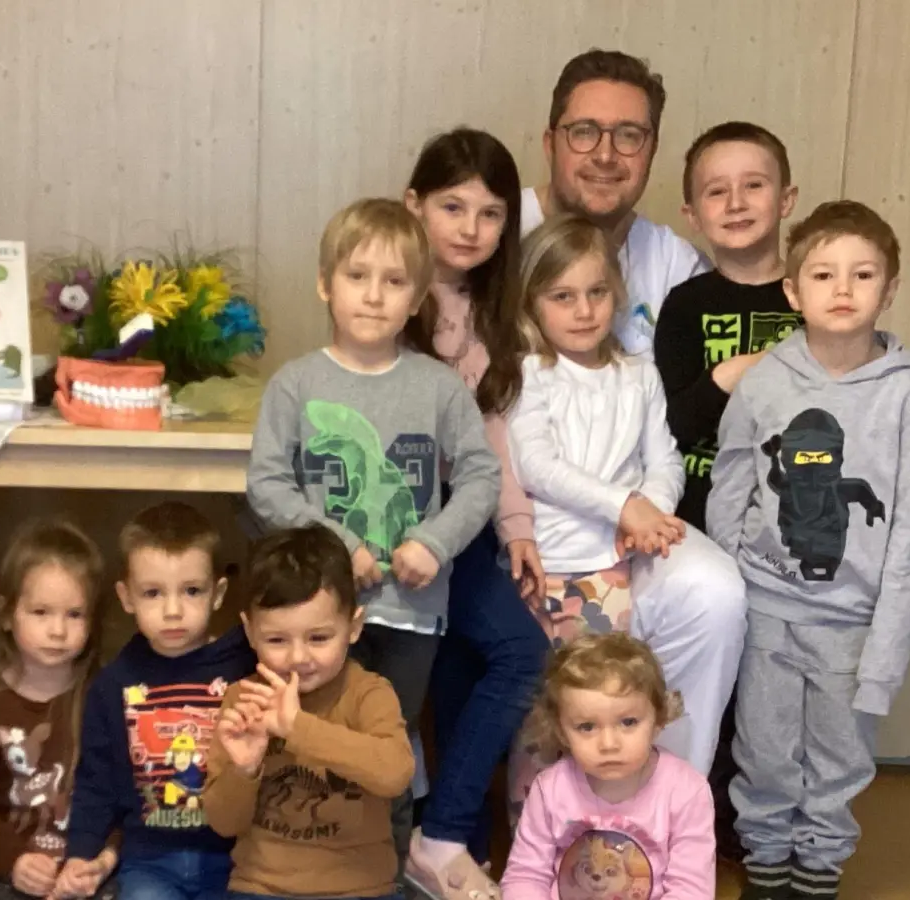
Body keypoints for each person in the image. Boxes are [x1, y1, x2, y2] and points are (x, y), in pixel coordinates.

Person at [246, 197, 501, 868]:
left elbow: (480, 477)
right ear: (326, 283)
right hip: (316, 614)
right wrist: (339, 547)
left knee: (387, 744)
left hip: (409, 612)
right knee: (309, 735)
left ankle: (380, 870)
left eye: (393, 283)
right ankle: (302, 863)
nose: (373, 296)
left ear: (418, 297)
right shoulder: (295, 385)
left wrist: (436, 541)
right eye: (358, 276)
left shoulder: (440, 387)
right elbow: (267, 484)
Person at [707, 201, 910, 900]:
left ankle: (817, 868)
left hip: (851, 620)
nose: (843, 289)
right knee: (762, 746)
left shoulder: (904, 395)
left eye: (863, 274)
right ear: (794, 291)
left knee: (837, 755)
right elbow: (733, 481)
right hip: (765, 604)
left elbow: (906, 530)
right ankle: (765, 860)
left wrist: (887, 644)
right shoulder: (767, 379)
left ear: (889, 288)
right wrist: (729, 591)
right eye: (823, 274)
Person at [506, 215, 744, 779]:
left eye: (597, 292)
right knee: (546, 721)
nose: (584, 309)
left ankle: (611, 840)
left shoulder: (637, 373)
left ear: (618, 294)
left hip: (612, 569)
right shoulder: (529, 372)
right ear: (532, 303)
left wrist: (651, 515)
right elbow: (537, 467)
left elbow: (664, 458)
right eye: (563, 296)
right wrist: (623, 505)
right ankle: (537, 844)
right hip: (552, 572)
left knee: (607, 712)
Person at [399, 129, 552, 897]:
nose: (469, 228)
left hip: (465, 531)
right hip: (398, 531)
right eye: (452, 206)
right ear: (413, 204)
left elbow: (493, 433)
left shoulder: (489, 314)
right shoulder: (388, 289)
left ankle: (454, 840)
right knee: (518, 651)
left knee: (483, 660)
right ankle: (443, 834)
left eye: (490, 214)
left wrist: (515, 528)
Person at [653, 121, 801, 863]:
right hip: (703, 517)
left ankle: (769, 820)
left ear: (787, 199)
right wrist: (733, 374)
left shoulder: (817, 294)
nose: (736, 201)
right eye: (717, 190)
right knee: (714, 664)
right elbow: (670, 422)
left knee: (778, 675)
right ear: (692, 214)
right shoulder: (685, 306)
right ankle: (699, 810)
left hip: (797, 522)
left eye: (755, 185)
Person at [54, 502, 255, 900]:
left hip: (236, 857)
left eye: (192, 591)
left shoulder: (246, 667)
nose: (173, 610)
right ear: (126, 597)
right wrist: (80, 854)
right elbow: (96, 781)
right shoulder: (114, 684)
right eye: (153, 593)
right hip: (150, 859)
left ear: (218, 594)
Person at [203, 525, 414, 900]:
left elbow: (396, 774)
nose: (298, 658)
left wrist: (299, 728)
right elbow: (223, 824)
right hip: (261, 889)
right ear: (249, 633)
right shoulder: (243, 699)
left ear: (354, 626)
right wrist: (245, 770)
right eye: (276, 640)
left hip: (362, 891)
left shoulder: (369, 694)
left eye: (318, 638)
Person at [520, 49, 708, 359]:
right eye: (583, 132)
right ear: (549, 144)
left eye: (629, 136)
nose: (605, 156)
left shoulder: (681, 271)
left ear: (652, 151)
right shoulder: (493, 235)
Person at [499, 633, 715, 899]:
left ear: (658, 720)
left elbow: (691, 890)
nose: (608, 743)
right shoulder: (550, 788)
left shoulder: (686, 791)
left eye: (628, 722)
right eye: (587, 727)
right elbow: (526, 877)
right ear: (563, 732)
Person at [0, 519, 112, 900]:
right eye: (41, 612)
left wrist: (97, 861)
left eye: (74, 615)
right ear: (6, 614)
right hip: (8, 878)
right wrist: (14, 862)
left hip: (86, 877)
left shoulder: (104, 699)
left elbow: (122, 796)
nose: (58, 630)